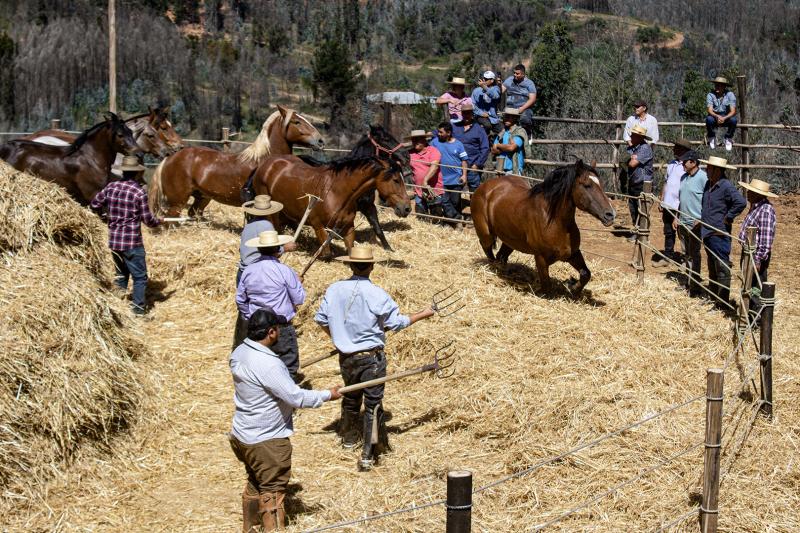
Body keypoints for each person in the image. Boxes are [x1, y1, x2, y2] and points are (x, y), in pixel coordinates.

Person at [314, 246, 434, 471]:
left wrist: (340, 337)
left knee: (350, 396)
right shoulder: (378, 294)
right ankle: (369, 453)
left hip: (346, 356)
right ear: (371, 266)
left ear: (349, 265)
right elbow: (396, 323)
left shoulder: (335, 289)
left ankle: (348, 439)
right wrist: (423, 314)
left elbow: (320, 319)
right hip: (371, 359)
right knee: (373, 405)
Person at [229, 308, 342, 532]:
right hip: (266, 440)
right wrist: (328, 394)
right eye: (277, 328)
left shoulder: (240, 351)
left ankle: (250, 528)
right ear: (271, 332)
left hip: (242, 433)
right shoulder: (268, 363)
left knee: (256, 482)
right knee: (272, 492)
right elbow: (295, 397)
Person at [89, 155, 161, 316]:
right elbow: (148, 220)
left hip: (114, 241)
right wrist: (159, 221)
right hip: (132, 242)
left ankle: (117, 309)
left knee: (120, 276)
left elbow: (94, 204)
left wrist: (105, 215)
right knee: (140, 278)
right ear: (136, 174)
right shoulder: (138, 192)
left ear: (123, 172)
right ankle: (138, 310)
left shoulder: (111, 187)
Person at [235, 230, 305, 380]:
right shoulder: (285, 271)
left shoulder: (249, 270)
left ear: (259, 249)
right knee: (287, 367)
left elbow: (241, 299)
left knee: (258, 367)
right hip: (280, 327)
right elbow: (299, 299)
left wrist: (250, 316)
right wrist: (298, 283)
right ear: (277, 249)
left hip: (257, 326)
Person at [700, 156, 746, 307]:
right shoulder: (708, 184)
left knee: (722, 268)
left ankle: (722, 301)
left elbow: (741, 202)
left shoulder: (725, 186)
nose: (707, 170)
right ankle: (714, 298)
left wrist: (729, 217)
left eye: (709, 168)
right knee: (713, 267)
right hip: (707, 232)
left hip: (719, 233)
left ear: (717, 170)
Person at [737, 179, 777, 321]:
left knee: (755, 286)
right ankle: (748, 314)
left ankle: (756, 319)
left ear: (757, 194)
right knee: (748, 284)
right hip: (749, 252)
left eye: (750, 191)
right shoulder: (756, 207)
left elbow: (766, 241)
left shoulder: (765, 210)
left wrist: (757, 259)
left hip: (755, 255)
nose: (747, 193)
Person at [237, 195, 296, 288]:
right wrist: (285, 248)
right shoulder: (267, 225)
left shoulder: (248, 225)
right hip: (257, 275)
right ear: (270, 211)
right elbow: (271, 251)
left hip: (242, 272)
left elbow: (241, 249)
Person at [672, 150, 707, 297]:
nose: (683, 165)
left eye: (685, 162)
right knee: (686, 254)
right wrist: (677, 217)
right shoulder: (684, 178)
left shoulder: (703, 178)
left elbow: (707, 200)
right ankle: (687, 281)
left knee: (694, 254)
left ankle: (695, 286)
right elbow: (682, 199)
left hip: (695, 223)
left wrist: (701, 219)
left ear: (693, 162)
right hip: (683, 222)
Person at [653, 138, 692, 266]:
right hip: (668, 204)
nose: (674, 149)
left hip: (679, 205)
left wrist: (682, 207)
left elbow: (687, 188)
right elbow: (666, 182)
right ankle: (668, 257)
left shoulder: (687, 167)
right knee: (668, 231)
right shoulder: (671, 164)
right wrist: (662, 199)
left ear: (683, 150)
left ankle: (687, 260)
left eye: (677, 147)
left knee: (683, 233)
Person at [430, 121, 468, 224]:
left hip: (456, 179)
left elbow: (464, 160)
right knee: (444, 201)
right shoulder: (434, 142)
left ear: (449, 133)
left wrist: (464, 175)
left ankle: (453, 221)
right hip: (441, 179)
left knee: (455, 202)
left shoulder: (458, 144)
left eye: (441, 132)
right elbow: (427, 151)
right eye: (438, 132)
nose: (439, 134)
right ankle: (455, 220)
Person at [452, 101, 489, 192]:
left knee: (474, 191)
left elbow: (485, 148)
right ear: (461, 114)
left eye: (468, 113)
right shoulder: (454, 127)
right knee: (455, 191)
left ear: (472, 114)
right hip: (457, 166)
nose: (466, 115)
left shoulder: (479, 129)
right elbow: (441, 132)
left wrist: (477, 164)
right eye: (464, 113)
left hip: (472, 165)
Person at [625, 124, 654, 233]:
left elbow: (632, 164)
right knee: (633, 208)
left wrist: (631, 159)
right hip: (634, 182)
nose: (631, 136)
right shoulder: (634, 148)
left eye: (634, 135)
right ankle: (637, 230)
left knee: (641, 209)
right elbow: (626, 160)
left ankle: (642, 232)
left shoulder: (645, 148)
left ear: (640, 137)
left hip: (642, 183)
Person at [406, 129, 442, 216]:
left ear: (424, 140)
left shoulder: (433, 151)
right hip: (418, 190)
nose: (415, 142)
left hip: (434, 189)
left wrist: (425, 180)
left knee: (436, 215)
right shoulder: (409, 153)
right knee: (421, 215)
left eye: (418, 140)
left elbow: (435, 166)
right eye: (414, 140)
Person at [502, 64, 537, 137]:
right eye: (514, 73)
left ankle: (527, 135)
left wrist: (522, 108)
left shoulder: (529, 83)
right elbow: (500, 91)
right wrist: (498, 85)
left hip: (524, 108)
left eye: (517, 74)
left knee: (525, 119)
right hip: (510, 107)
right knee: (501, 119)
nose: (515, 75)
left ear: (523, 74)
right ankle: (505, 138)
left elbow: (532, 99)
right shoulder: (509, 80)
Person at [491, 108, 528, 175]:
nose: (506, 119)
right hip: (500, 169)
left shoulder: (519, 132)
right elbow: (493, 150)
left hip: (514, 170)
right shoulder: (502, 132)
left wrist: (498, 146)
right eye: (505, 116)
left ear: (515, 118)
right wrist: (505, 148)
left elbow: (511, 148)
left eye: (509, 117)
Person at [706, 76, 737, 151]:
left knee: (733, 120)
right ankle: (712, 137)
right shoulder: (710, 95)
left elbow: (733, 111)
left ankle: (728, 138)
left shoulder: (730, 95)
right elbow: (709, 110)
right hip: (714, 115)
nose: (717, 87)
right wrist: (717, 116)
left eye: (719, 85)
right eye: (716, 85)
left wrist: (724, 118)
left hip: (726, 116)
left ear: (724, 86)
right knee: (708, 120)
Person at [472, 70, 503, 137]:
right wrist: (481, 113)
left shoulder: (496, 89)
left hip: (493, 118)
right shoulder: (476, 91)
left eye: (486, 79)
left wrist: (485, 87)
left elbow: (495, 96)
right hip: (480, 116)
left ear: (492, 80)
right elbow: (473, 105)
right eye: (483, 78)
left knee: (503, 131)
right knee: (487, 125)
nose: (483, 80)